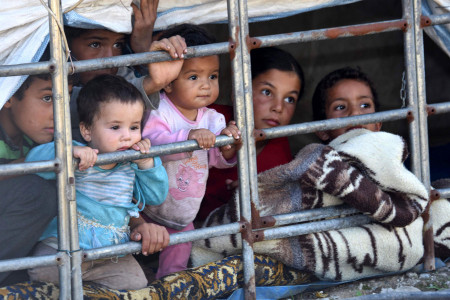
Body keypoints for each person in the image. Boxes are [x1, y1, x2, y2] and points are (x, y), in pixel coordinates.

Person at [25, 74, 169, 290]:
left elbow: (156, 196)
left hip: (111, 255)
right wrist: (68, 153)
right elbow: (32, 161)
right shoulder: (78, 152)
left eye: (134, 127)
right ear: (87, 130)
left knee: (137, 284)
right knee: (43, 271)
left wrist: (147, 163)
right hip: (64, 248)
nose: (127, 137)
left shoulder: (133, 161)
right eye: (115, 127)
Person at [140, 24, 241, 279]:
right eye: (194, 77)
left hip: (183, 211)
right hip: (145, 206)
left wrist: (229, 146)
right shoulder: (159, 110)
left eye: (213, 76)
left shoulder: (213, 118)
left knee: (178, 255)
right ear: (169, 83)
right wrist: (187, 138)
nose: (206, 85)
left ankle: (170, 287)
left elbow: (217, 161)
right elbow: (150, 142)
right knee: (134, 246)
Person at [196, 47, 305, 222]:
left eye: (289, 99)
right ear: (238, 90)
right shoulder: (205, 119)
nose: (278, 107)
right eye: (267, 92)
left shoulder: (281, 156)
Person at [66, 0, 187, 141]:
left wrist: (143, 50)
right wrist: (152, 84)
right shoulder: (52, 82)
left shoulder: (120, 73)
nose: (110, 58)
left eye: (118, 44)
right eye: (95, 44)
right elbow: (85, 101)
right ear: (66, 45)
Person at [0, 64, 74, 286]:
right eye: (48, 98)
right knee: (37, 193)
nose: (60, 112)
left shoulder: (35, 136)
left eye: (65, 98)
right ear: (9, 94)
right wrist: (33, 162)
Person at [312, 66, 381, 142]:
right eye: (341, 107)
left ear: (377, 124)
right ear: (322, 131)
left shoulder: (393, 152)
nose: (355, 113)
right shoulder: (315, 153)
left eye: (365, 105)